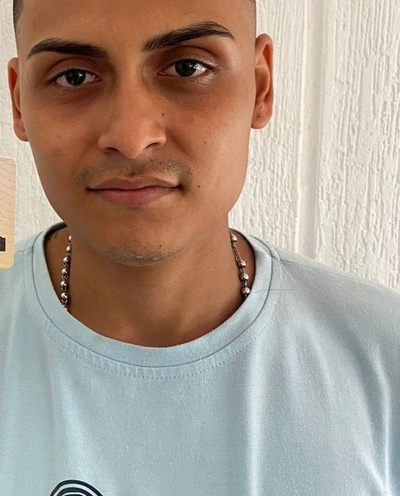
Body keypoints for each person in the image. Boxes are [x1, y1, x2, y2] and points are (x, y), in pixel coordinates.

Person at [1, 0, 399, 493]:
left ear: (261, 86)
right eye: (74, 77)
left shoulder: (385, 356)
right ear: (19, 104)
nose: (132, 138)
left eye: (188, 68)